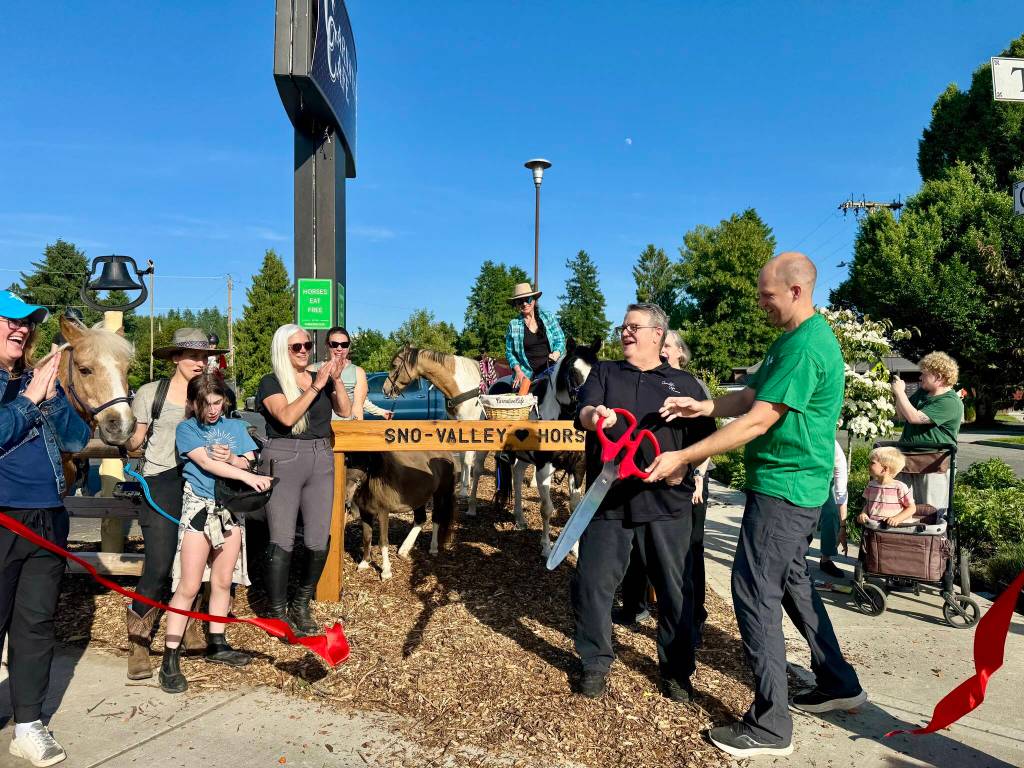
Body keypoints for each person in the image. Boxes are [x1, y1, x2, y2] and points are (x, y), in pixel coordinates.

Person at [645, 253, 865, 759]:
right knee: (791, 584)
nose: (761, 302)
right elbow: (748, 396)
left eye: (767, 294)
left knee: (752, 591)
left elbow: (759, 420)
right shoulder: (789, 339)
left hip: (786, 490)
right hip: (788, 487)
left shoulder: (808, 347)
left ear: (796, 290)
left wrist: (685, 455)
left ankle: (770, 726)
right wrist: (705, 406)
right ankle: (838, 682)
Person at [573, 303, 716, 703]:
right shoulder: (604, 372)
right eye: (623, 327)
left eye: (634, 327)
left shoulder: (684, 383)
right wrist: (593, 416)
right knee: (592, 583)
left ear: (657, 334)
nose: (626, 333)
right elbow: (583, 410)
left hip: (667, 502)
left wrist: (684, 470)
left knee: (675, 590)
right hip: (610, 498)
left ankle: (676, 671)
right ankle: (595, 663)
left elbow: (706, 438)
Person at [1, 290, 90, 766]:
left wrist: (51, 398)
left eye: (28, 323)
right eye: (9, 320)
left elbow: (77, 439)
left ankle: (29, 722)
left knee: (35, 624)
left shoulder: (34, 380)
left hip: (47, 518)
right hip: (2, 517)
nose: (22, 328)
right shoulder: (14, 388)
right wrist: (29, 400)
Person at [122, 328, 228, 680]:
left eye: (203, 356)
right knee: (159, 564)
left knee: (196, 563)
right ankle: (138, 641)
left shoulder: (210, 393)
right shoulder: (153, 393)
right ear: (175, 358)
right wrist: (121, 436)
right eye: (192, 356)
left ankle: (188, 628)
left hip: (199, 482)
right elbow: (136, 439)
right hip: (160, 482)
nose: (200, 362)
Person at [158, 372, 268, 694]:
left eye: (217, 402)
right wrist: (246, 477)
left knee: (223, 581)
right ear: (194, 403)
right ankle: (170, 656)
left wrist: (236, 459)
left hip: (230, 509)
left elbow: (249, 458)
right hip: (199, 509)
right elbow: (206, 464)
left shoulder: (234, 426)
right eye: (205, 404)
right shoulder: (187, 429)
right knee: (189, 584)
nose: (212, 410)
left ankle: (217, 643)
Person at [615, 330, 714, 650]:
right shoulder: (650, 382)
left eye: (668, 346)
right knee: (639, 545)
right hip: (649, 477)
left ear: (680, 354)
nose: (662, 351)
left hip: (687, 481)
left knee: (688, 551)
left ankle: (693, 617)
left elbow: (706, 439)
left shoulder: (691, 386)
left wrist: (697, 475)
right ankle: (635, 606)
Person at [256, 325, 350, 635]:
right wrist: (315, 386)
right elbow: (285, 417)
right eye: (296, 346)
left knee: (318, 537)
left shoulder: (318, 379)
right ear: (282, 349)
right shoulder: (270, 382)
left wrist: (333, 378)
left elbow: (346, 411)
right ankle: (278, 610)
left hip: (321, 456)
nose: (304, 351)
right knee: (282, 538)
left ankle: (301, 603)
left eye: (307, 345)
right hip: (284, 457)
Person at [892, 352, 963, 514]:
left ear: (938, 377)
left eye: (924, 374)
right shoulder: (923, 393)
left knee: (930, 512)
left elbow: (914, 417)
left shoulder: (949, 402)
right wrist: (899, 396)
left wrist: (900, 393)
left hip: (933, 464)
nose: (920, 377)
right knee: (903, 510)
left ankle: (933, 540)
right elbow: (902, 415)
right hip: (908, 461)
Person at [504, 282, 566, 392]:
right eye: (519, 301)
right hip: (526, 374)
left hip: (551, 368)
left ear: (533, 300)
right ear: (516, 305)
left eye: (527, 299)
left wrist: (556, 353)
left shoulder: (548, 317)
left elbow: (560, 339)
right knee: (520, 403)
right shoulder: (513, 325)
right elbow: (510, 353)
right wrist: (518, 371)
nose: (524, 304)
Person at [323, 326, 392, 420]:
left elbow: (360, 403)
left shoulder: (357, 372)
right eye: (334, 344)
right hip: (320, 431)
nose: (339, 348)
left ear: (349, 346)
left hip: (346, 429)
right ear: (327, 345)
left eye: (344, 344)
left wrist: (381, 412)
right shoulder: (314, 369)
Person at [858, 446, 916, 526]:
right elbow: (868, 504)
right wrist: (863, 513)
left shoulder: (899, 487)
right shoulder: (871, 485)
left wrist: (897, 518)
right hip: (874, 528)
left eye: (872, 462)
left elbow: (911, 508)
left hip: (892, 530)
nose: (868, 465)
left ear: (884, 469)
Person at [818, 439, 849, 579]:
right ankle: (797, 557)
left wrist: (843, 526)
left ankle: (826, 559)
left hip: (824, 477)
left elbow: (841, 493)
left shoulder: (836, 452)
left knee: (831, 513)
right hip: (798, 473)